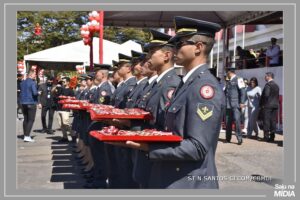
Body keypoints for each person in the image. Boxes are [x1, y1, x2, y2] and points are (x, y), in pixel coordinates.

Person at [119, 16, 225, 189]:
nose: (174, 49)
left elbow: (197, 147)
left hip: (188, 182)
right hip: (171, 175)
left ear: (198, 48)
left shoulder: (204, 88)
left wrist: (149, 147)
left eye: (180, 44)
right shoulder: (187, 83)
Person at [225, 68, 246, 145]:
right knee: (228, 122)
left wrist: (242, 102)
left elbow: (243, 91)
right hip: (227, 104)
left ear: (230, 72)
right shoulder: (228, 81)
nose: (226, 74)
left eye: (227, 72)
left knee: (237, 121)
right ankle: (227, 138)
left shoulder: (239, 79)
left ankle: (239, 138)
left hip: (235, 104)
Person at [259, 72, 279, 142]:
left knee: (266, 121)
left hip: (268, 105)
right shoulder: (276, 85)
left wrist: (263, 104)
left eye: (265, 76)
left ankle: (266, 137)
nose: (264, 77)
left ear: (269, 77)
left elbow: (266, 95)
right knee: (273, 121)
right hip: (275, 105)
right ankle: (272, 136)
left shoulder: (268, 85)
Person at [54, 76, 75, 142]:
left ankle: (73, 135)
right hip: (58, 108)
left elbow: (73, 99)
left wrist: (66, 97)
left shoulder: (71, 90)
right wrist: (56, 86)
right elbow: (54, 94)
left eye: (64, 81)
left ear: (68, 82)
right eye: (62, 81)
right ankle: (65, 137)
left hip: (65, 109)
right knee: (61, 124)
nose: (62, 82)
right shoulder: (60, 88)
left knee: (66, 123)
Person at [20, 70, 39, 142]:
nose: (35, 76)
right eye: (34, 74)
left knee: (26, 119)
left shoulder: (22, 82)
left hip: (23, 103)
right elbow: (34, 93)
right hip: (31, 102)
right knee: (31, 120)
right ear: (31, 75)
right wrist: (38, 93)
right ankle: (27, 136)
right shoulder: (32, 82)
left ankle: (25, 135)